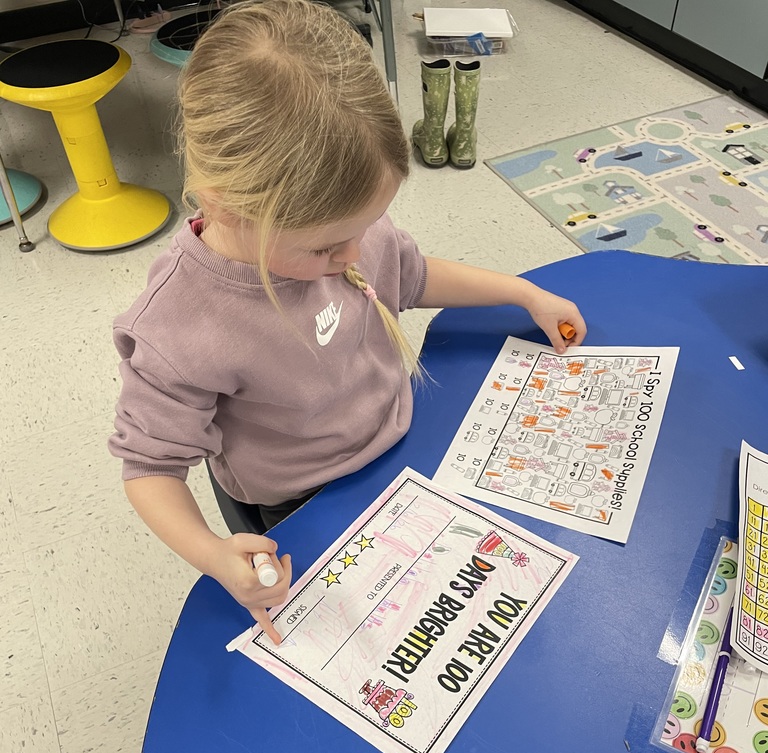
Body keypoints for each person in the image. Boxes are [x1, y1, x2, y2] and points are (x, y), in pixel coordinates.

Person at [109, 0, 586, 645]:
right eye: (327, 248)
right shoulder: (180, 324)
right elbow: (150, 469)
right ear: (222, 203)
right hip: (299, 503)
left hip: (401, 448)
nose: (354, 256)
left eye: (361, 231)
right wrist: (213, 555)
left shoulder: (342, 229)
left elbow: (410, 274)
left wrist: (522, 293)